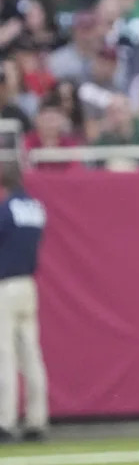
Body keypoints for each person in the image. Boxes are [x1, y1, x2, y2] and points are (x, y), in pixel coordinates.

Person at [0, 163, 48, 442]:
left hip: (5, 285)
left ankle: (4, 420)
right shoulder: (35, 209)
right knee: (31, 353)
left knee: (4, 354)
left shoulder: (6, 211)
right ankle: (36, 419)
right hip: (27, 284)